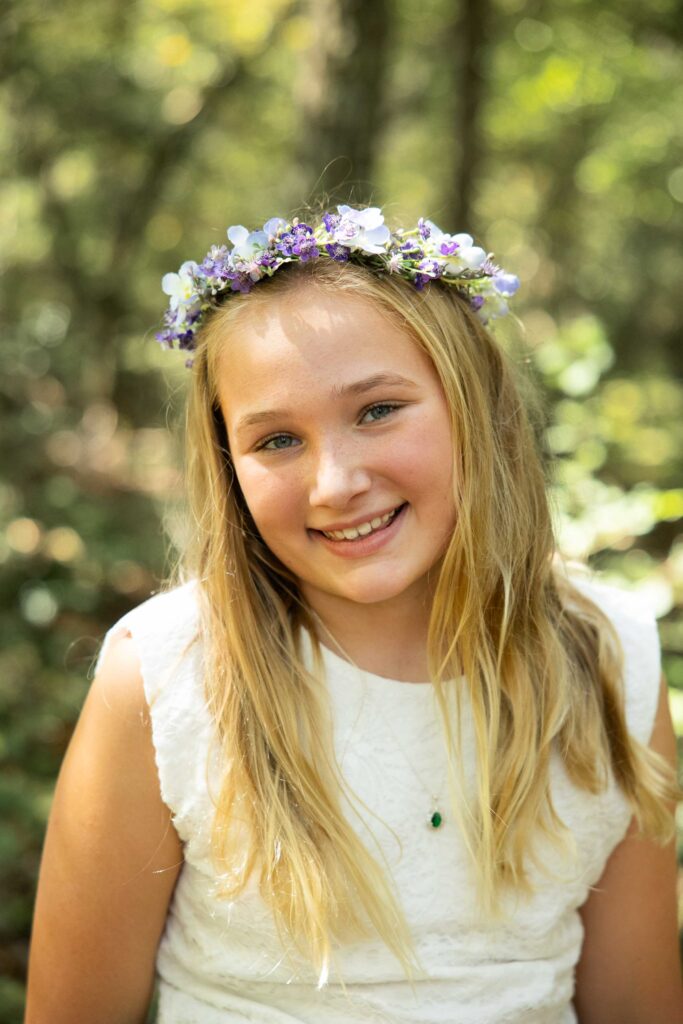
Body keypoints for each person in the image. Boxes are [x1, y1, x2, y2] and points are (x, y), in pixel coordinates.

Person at [25, 206, 682, 1024]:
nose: (334, 483)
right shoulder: (168, 678)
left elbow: (636, 1002)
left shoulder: (607, 654)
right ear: (228, 464)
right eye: (275, 442)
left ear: (473, 406)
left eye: (376, 411)